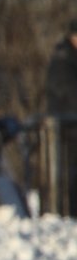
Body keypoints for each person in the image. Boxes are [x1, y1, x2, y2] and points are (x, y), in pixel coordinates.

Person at [44, 18, 77, 216]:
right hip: (67, 128)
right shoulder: (63, 60)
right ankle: (68, 213)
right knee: (69, 176)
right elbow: (67, 92)